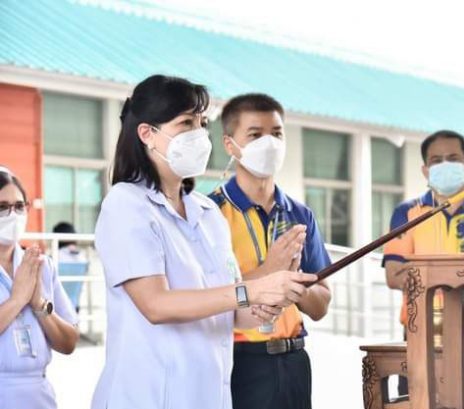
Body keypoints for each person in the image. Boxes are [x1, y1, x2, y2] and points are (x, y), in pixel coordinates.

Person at [90, 76, 316, 409]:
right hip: (149, 396)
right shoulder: (126, 205)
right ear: (147, 133)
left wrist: (271, 299)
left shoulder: (207, 213)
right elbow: (156, 305)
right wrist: (250, 291)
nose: (199, 134)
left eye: (202, 123)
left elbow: (230, 312)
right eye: (186, 123)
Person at [208, 93, 332, 409]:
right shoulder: (209, 213)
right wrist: (270, 272)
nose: (269, 143)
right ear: (229, 144)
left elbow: (320, 306)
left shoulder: (300, 214)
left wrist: (295, 285)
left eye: (277, 134)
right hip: (239, 362)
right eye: (255, 134)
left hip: (294, 359)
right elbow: (207, 302)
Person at [383, 130, 464, 394]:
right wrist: (463, 283)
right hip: (419, 331)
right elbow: (394, 275)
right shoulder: (406, 213)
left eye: (453, 158)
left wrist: (446, 295)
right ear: (425, 170)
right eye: (436, 160)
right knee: (415, 400)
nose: (444, 165)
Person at [0, 166, 79, 409]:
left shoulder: (41, 265)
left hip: (38, 397)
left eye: (19, 206)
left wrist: (39, 305)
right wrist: (17, 300)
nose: (13, 215)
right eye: (2, 207)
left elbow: (69, 342)